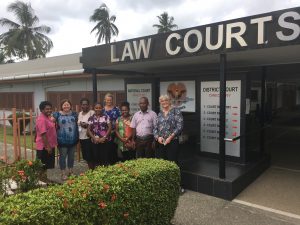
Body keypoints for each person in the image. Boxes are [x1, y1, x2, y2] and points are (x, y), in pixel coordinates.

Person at [153, 94, 184, 193]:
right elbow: (155, 128)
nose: (164, 102)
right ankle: (163, 186)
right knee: (161, 164)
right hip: (161, 143)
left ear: (169, 101)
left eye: (166, 100)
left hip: (172, 142)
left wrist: (170, 137)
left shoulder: (176, 111)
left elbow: (180, 126)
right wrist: (158, 137)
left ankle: (177, 187)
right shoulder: (160, 113)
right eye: (162, 101)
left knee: (173, 164)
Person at [53, 99, 78, 180]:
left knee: (71, 157)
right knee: (63, 157)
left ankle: (71, 171)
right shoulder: (57, 114)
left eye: (68, 104)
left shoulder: (74, 114)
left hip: (73, 139)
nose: (66, 106)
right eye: (64, 105)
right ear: (61, 106)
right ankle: (63, 173)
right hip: (62, 140)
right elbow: (50, 121)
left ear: (70, 106)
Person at [35, 101, 57, 174]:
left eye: (50, 109)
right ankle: (42, 181)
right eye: (47, 109)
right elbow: (43, 134)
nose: (49, 110)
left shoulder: (47, 117)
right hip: (44, 147)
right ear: (42, 110)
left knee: (49, 166)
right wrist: (48, 147)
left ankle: (47, 181)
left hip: (49, 145)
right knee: (43, 166)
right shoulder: (41, 119)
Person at [87, 102, 112, 167]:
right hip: (95, 141)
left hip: (105, 141)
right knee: (96, 158)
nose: (98, 109)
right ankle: (98, 173)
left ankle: (105, 173)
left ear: (102, 108)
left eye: (100, 108)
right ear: (94, 108)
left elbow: (109, 127)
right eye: (96, 108)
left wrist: (104, 137)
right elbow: (89, 130)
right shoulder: (91, 118)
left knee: (105, 158)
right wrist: (94, 138)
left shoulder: (106, 117)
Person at [103, 93, 121, 164]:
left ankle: (114, 165)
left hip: (114, 133)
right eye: (107, 100)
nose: (109, 101)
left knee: (113, 150)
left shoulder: (116, 109)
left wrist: (114, 130)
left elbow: (120, 120)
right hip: (104, 134)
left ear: (112, 100)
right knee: (106, 151)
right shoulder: (102, 110)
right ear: (105, 100)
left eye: (110, 100)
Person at [78, 98, 94, 169]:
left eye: (86, 104)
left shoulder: (92, 112)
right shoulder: (80, 113)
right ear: (81, 105)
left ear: (89, 105)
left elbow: (94, 124)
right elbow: (79, 122)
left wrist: (85, 125)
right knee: (85, 156)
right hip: (81, 137)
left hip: (89, 137)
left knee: (90, 155)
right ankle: (90, 169)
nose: (85, 106)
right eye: (83, 104)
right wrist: (81, 123)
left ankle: (92, 170)